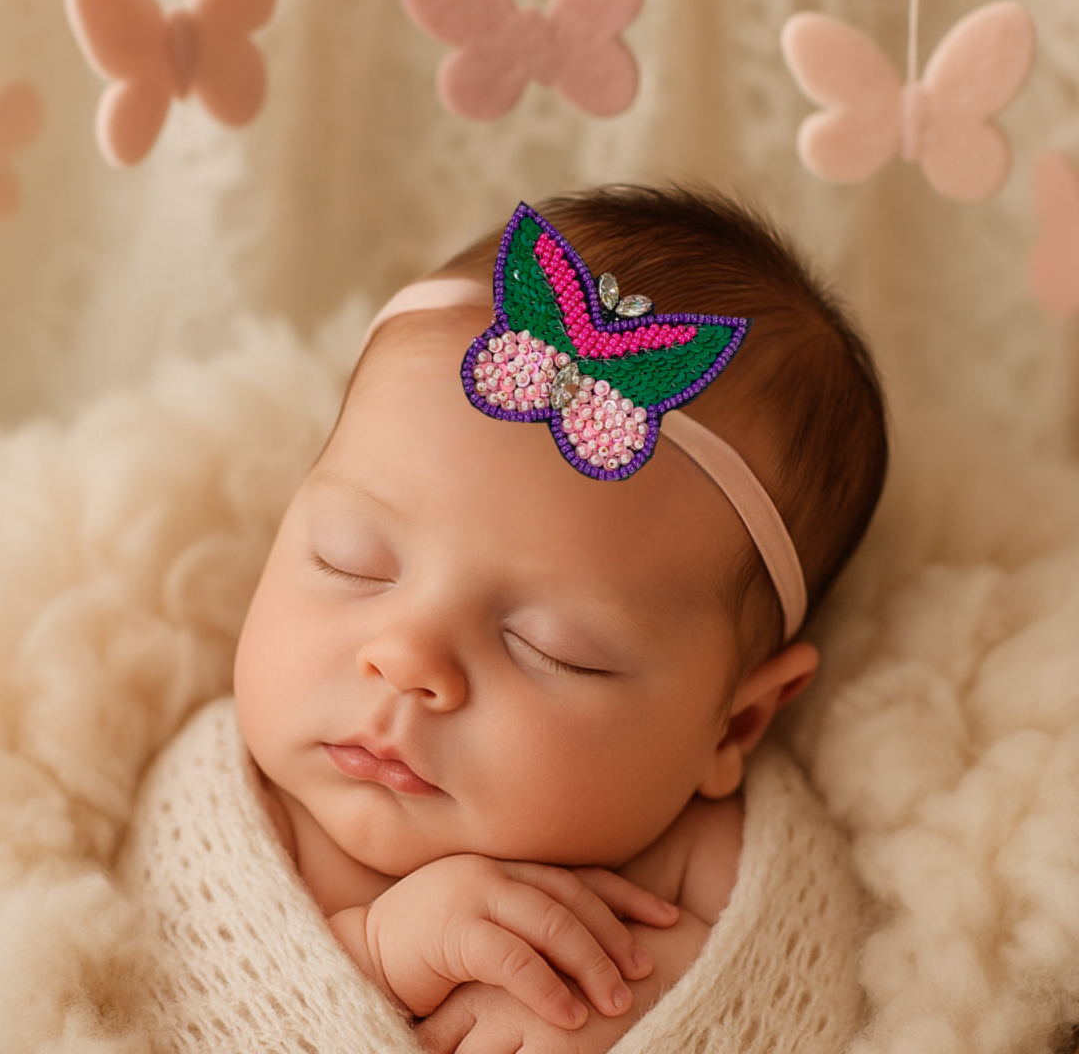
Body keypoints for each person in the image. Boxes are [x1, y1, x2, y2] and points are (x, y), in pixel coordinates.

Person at [120, 184, 887, 1053]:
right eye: (349, 559)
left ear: (736, 722)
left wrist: (645, 1013)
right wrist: (371, 959)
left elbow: (811, 1004)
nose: (407, 659)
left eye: (550, 649)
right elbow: (131, 997)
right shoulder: (236, 806)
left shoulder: (718, 869)